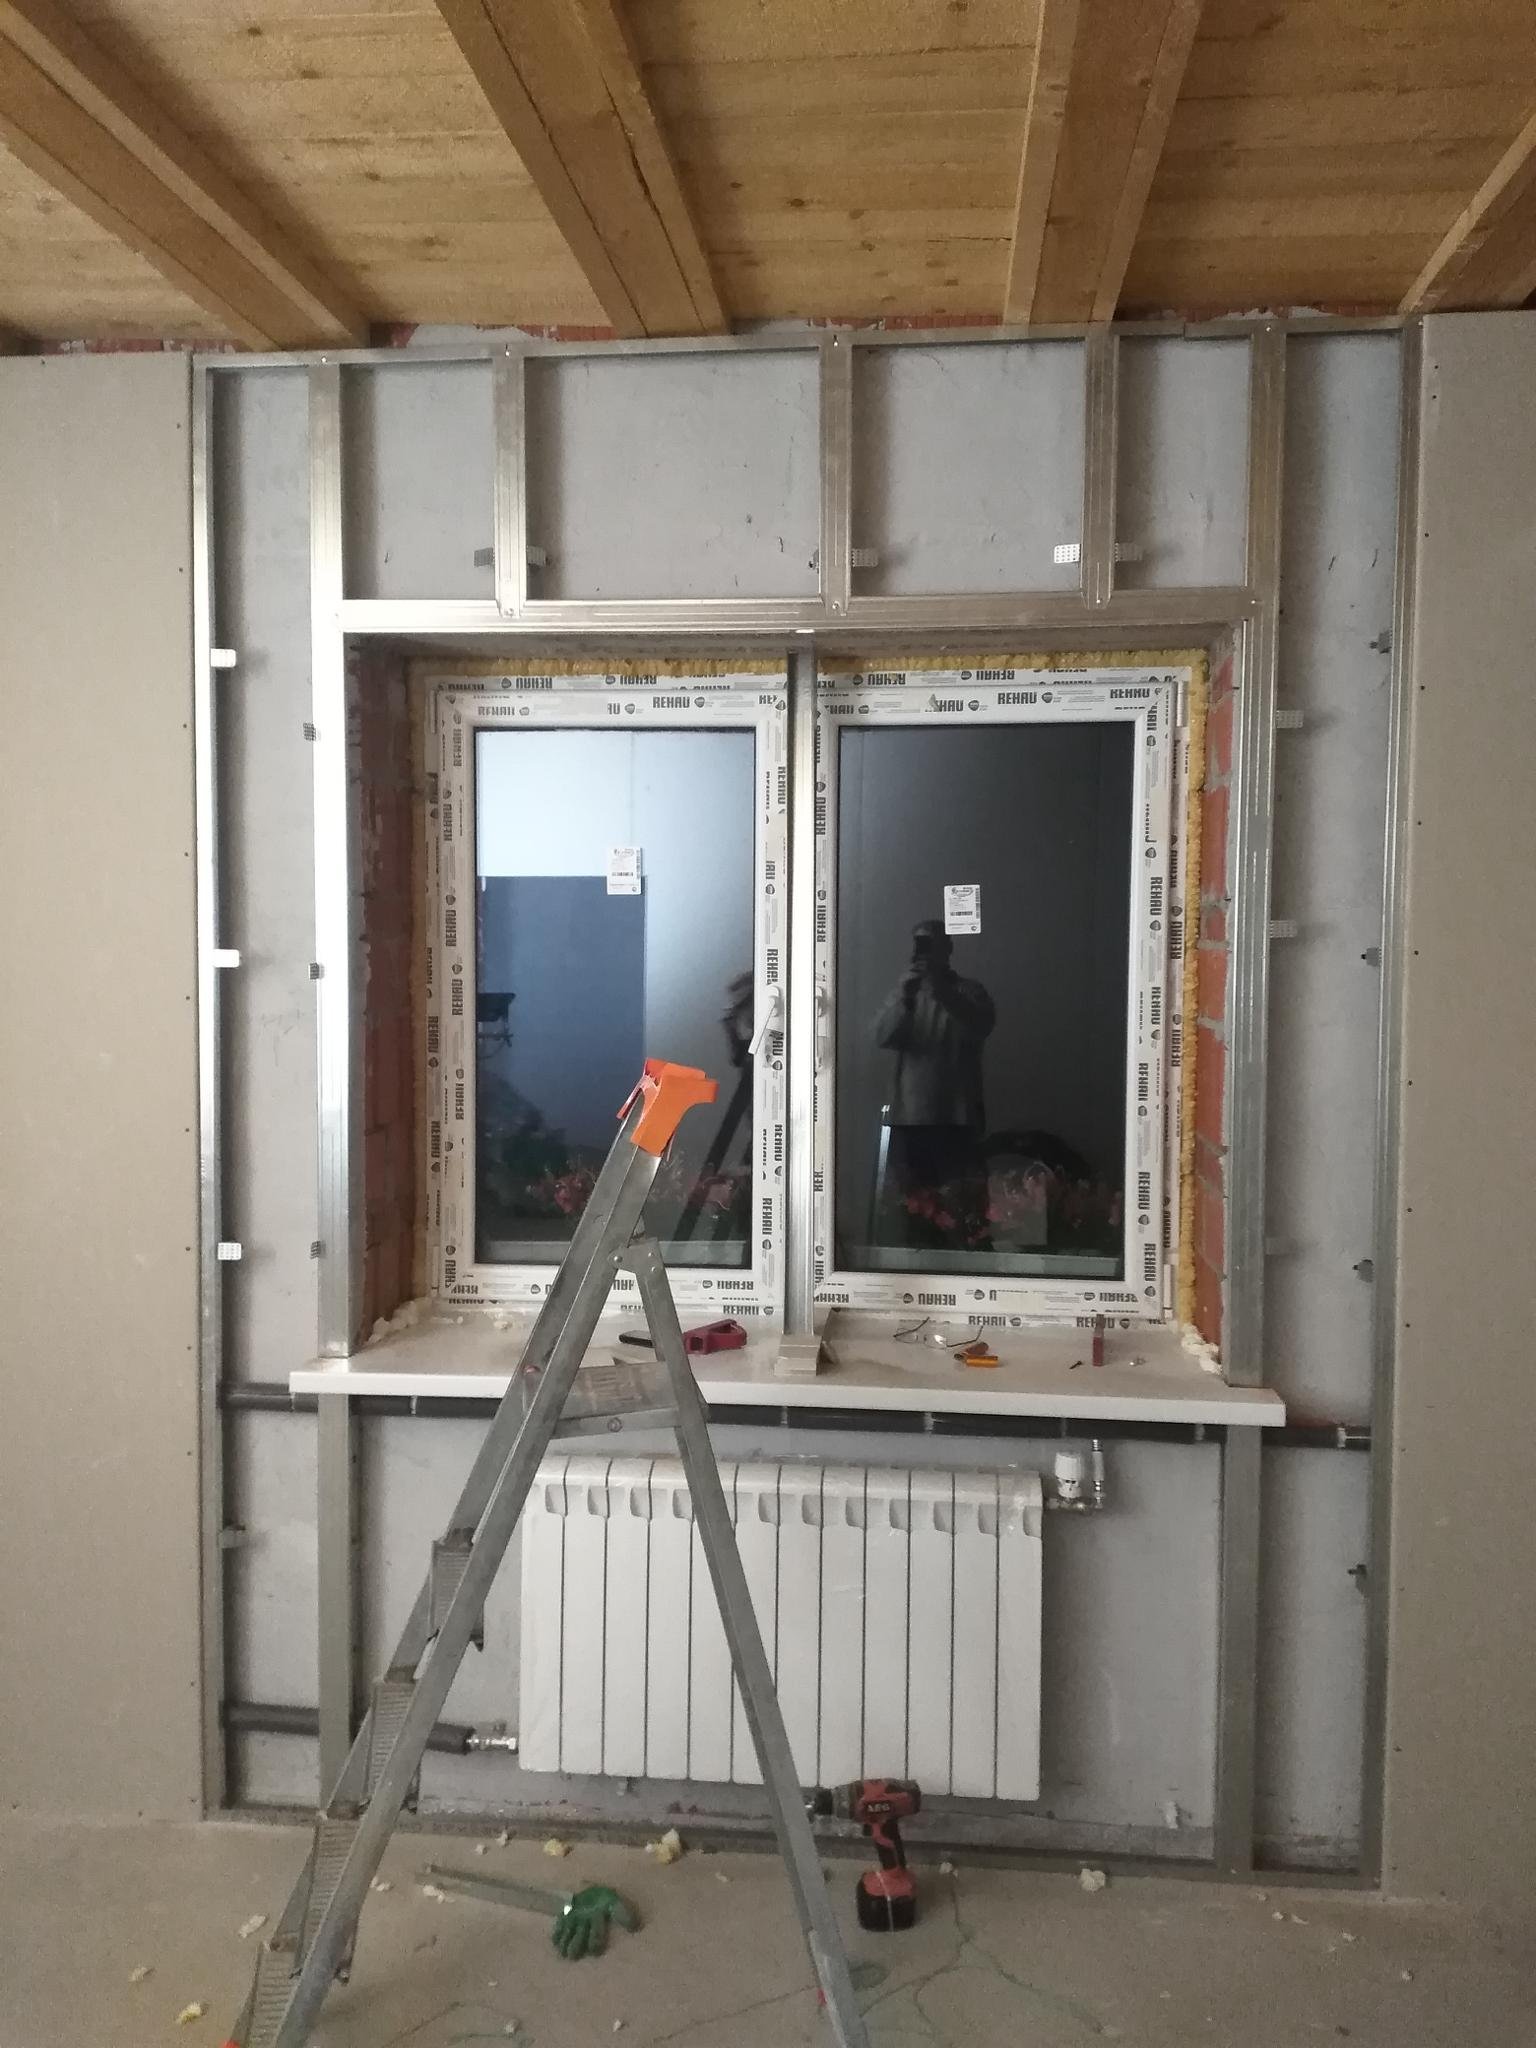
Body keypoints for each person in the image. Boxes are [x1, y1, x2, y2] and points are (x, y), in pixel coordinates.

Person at [872, 920, 995, 1252]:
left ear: (948, 948)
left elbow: (980, 1024)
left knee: (964, 1212)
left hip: (957, 1118)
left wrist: (942, 992)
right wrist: (905, 998)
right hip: (908, 1119)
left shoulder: (969, 991)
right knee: (909, 1212)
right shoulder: (904, 992)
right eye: (919, 943)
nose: (923, 951)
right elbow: (881, 1036)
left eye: (930, 943)